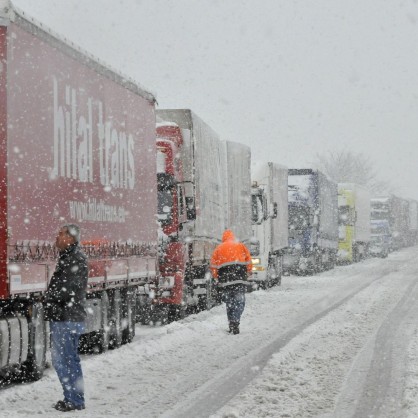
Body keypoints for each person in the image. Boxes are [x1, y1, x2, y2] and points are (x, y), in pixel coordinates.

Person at [43, 224, 88, 412]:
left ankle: (74, 400)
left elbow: (66, 290)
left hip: (66, 317)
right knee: (67, 359)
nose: (57, 237)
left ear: (71, 238)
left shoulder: (73, 259)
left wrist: (47, 298)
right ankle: (73, 398)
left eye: (61, 234)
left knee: (65, 360)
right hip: (67, 316)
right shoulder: (70, 258)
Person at [210, 229, 252, 334]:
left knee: (229, 303)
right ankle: (235, 321)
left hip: (225, 281)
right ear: (233, 237)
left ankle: (231, 324)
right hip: (239, 279)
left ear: (223, 238)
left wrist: (216, 277)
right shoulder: (240, 246)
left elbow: (213, 265)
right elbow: (248, 260)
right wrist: (249, 271)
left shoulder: (218, 248)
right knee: (239, 302)